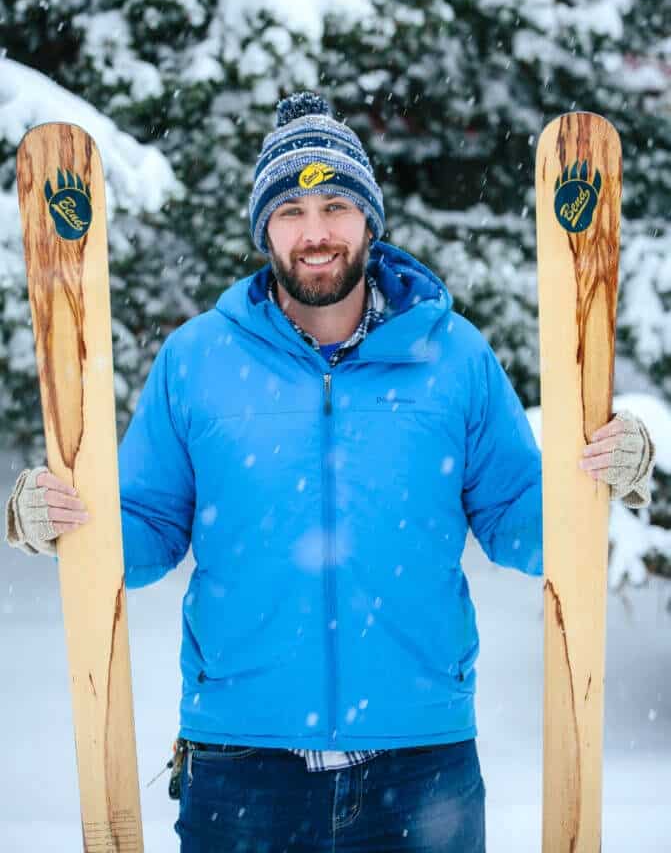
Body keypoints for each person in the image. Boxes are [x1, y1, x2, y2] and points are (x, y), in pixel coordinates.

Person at [5, 92, 655, 852]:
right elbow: (144, 534)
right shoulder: (197, 361)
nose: (315, 233)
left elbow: (525, 527)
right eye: (291, 210)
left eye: (336, 204)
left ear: (369, 220)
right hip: (244, 763)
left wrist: (595, 482)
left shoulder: (453, 356)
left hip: (421, 763)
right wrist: (63, 519)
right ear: (263, 229)